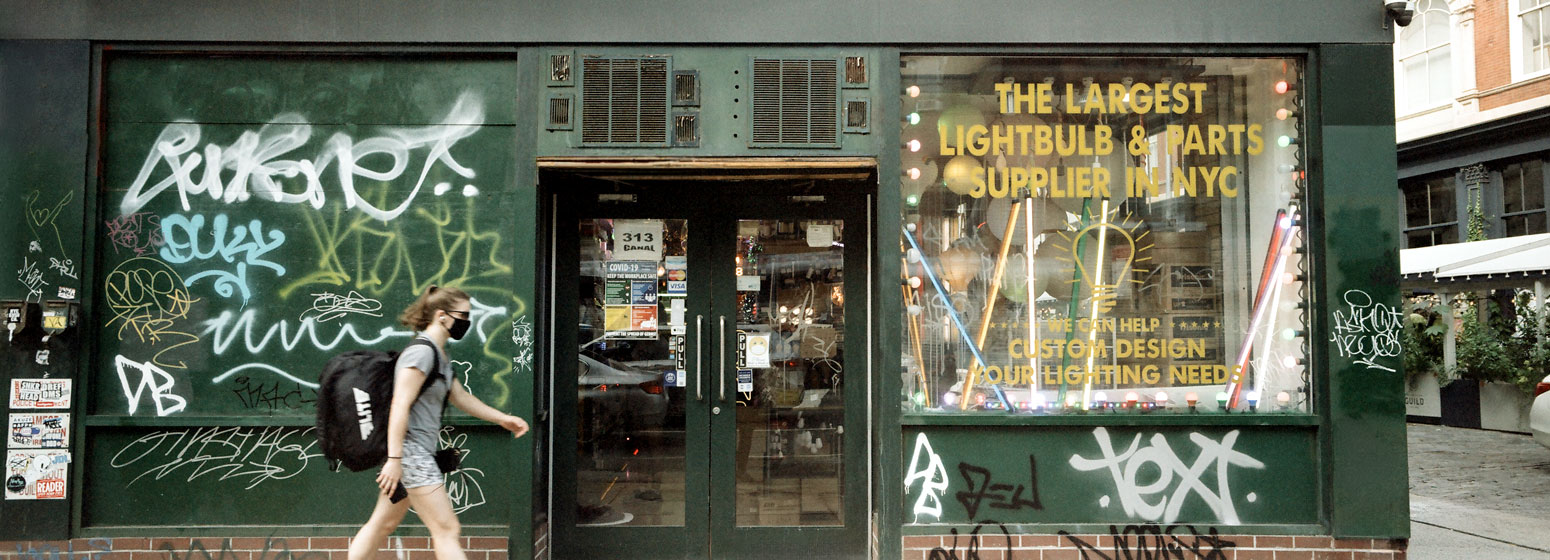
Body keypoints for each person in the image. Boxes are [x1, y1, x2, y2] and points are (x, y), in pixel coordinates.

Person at [348, 285, 529, 560]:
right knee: (446, 529)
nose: (467, 321)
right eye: (463, 315)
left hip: (413, 453)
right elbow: (399, 405)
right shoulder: (421, 353)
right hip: (411, 454)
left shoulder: (439, 354)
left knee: (382, 524)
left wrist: (503, 419)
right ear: (442, 316)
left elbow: (460, 397)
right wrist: (395, 459)